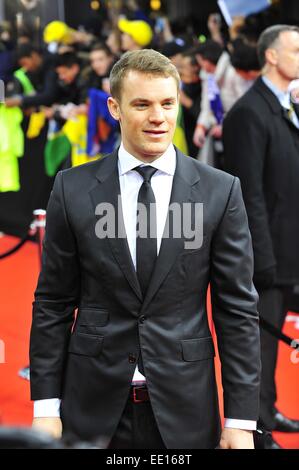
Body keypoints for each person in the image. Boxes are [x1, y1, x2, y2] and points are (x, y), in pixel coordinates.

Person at [30, 49, 261, 449]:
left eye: (167, 103)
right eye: (142, 104)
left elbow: (237, 308)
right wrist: (46, 408)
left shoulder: (220, 191)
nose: (159, 117)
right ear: (115, 107)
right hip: (92, 408)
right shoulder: (72, 188)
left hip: (186, 406)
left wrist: (240, 419)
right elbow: (52, 302)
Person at [223, 25, 299, 449]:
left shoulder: (285, 105)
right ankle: (253, 426)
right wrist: (261, 259)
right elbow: (247, 192)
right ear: (271, 55)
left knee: (271, 344)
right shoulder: (248, 113)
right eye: (296, 50)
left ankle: (267, 412)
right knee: (257, 347)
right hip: (264, 254)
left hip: (288, 248)